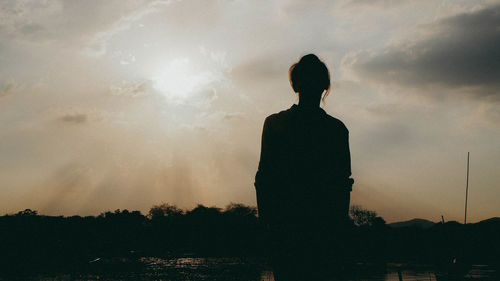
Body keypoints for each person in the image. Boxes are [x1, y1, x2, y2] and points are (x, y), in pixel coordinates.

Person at [254, 54, 354, 281]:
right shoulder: (336, 130)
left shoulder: (276, 124)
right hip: (316, 233)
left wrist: (266, 226)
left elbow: (263, 180)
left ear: (294, 85)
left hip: (293, 231)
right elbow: (342, 186)